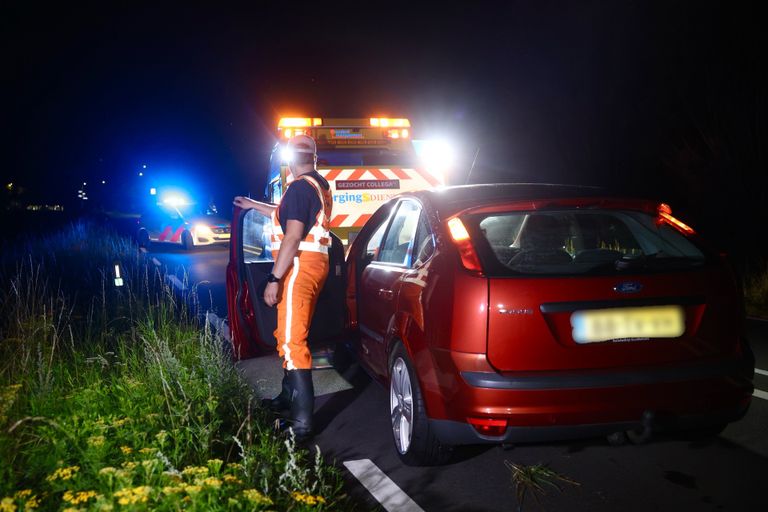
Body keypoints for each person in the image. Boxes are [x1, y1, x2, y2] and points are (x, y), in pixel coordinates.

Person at [233, 134, 332, 441]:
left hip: (299, 266)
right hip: (311, 265)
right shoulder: (316, 184)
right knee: (286, 335)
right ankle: (286, 398)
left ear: (290, 160)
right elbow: (284, 212)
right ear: (313, 158)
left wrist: (274, 278)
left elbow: (291, 236)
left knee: (292, 342)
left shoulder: (301, 187)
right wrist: (254, 205)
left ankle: (301, 426)